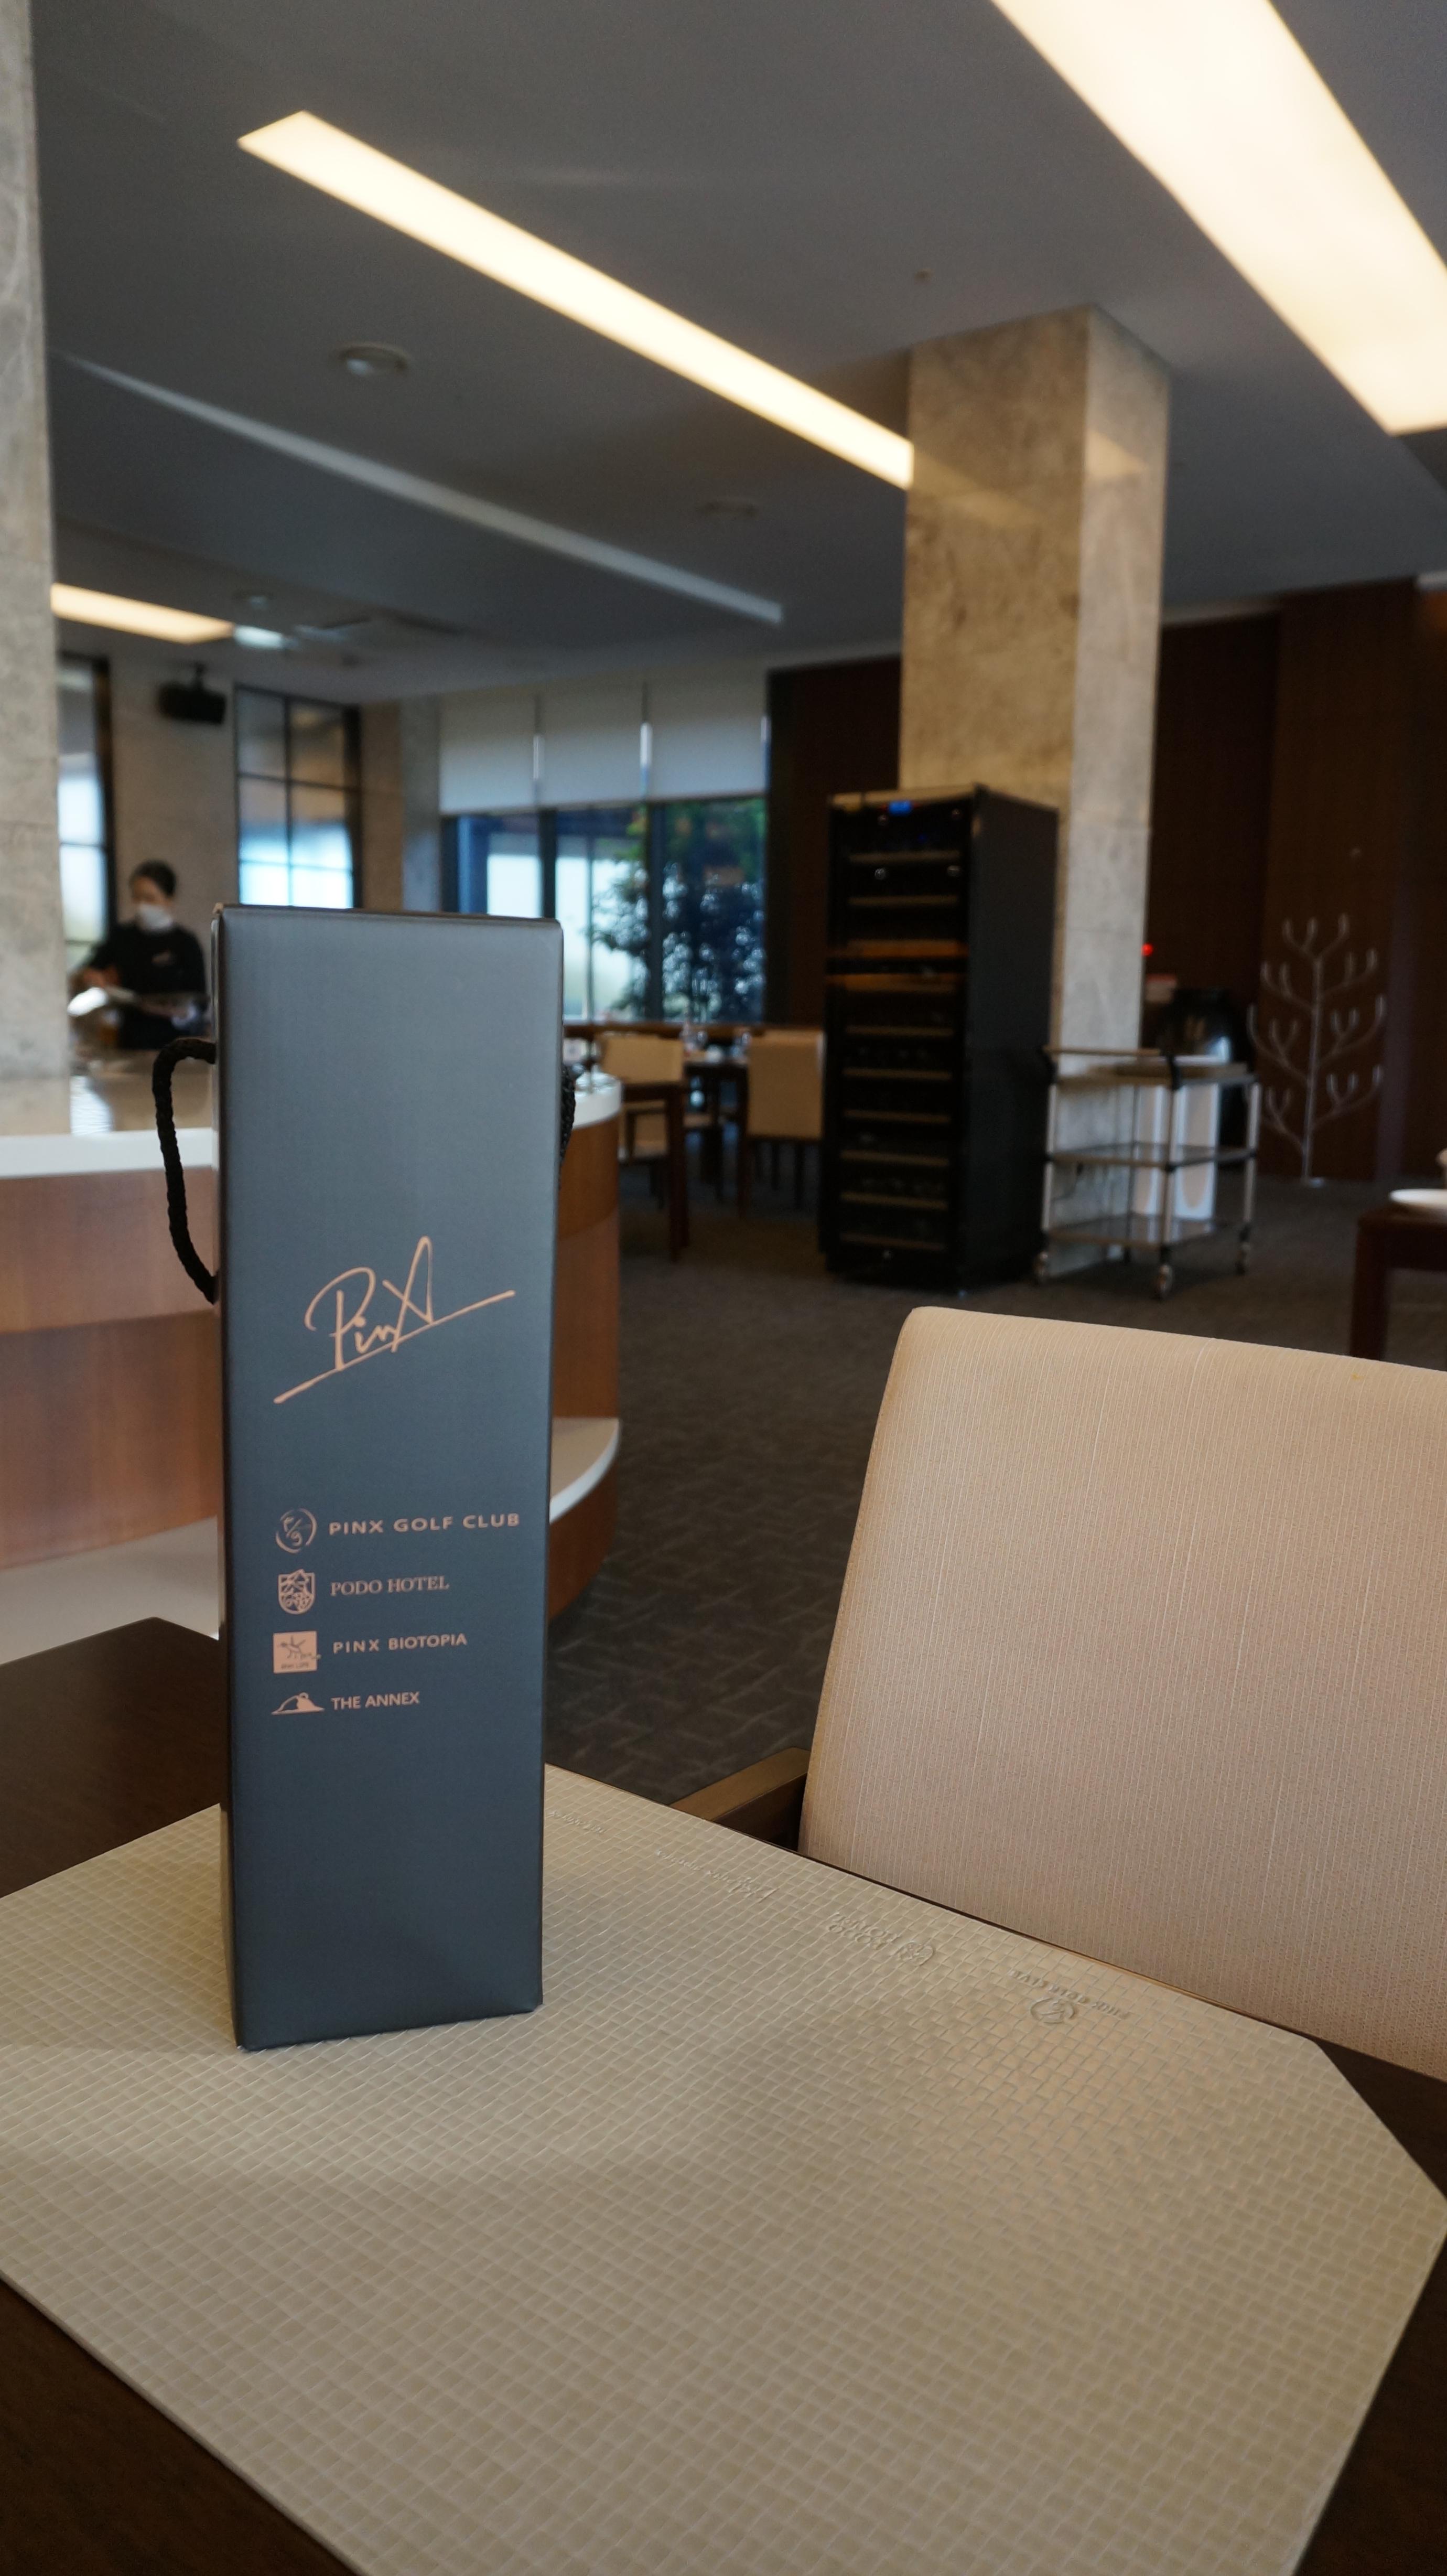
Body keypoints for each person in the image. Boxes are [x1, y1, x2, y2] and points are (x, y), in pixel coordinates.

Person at [78, 864, 208, 1050]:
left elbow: (200, 996)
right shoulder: (122, 937)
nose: (142, 905)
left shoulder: (186, 943)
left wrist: (186, 1012)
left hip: (176, 1039)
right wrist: (95, 978)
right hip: (132, 1038)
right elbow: (90, 969)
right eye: (137, 897)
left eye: (150, 898)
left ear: (169, 899)